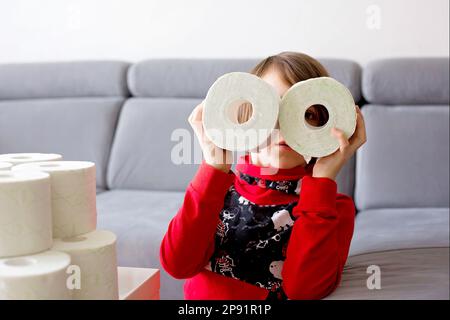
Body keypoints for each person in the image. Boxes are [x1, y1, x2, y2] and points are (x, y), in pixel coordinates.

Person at [160, 52, 367, 300]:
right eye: (271, 109)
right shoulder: (216, 190)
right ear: (243, 118)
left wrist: (321, 183)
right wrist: (213, 168)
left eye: (307, 114)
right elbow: (177, 264)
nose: (282, 127)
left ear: (323, 125)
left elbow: (304, 290)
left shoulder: (331, 209)